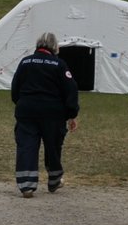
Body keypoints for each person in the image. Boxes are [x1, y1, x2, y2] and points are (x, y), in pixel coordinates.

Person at [10, 32, 80, 197]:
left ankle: (26, 184)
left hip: (26, 110)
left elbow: (15, 87)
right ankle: (54, 179)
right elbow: (70, 90)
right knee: (53, 146)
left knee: (26, 146)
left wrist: (21, 103)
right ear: (55, 47)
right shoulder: (59, 64)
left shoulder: (25, 62)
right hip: (52, 113)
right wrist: (72, 113)